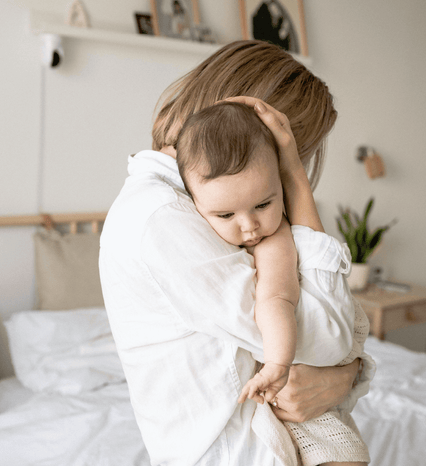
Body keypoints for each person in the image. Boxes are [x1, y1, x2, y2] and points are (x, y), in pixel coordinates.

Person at [99, 40, 375, 466]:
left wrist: (347, 376)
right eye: (293, 153)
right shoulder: (163, 217)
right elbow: (330, 337)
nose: (247, 222)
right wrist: (299, 186)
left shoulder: (203, 209)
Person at [175, 101, 370, 465]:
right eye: (226, 214)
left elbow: (276, 299)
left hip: (305, 379)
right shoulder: (178, 227)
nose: (249, 226)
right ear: (193, 204)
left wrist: (278, 364)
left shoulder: (274, 239)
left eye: (263, 204)